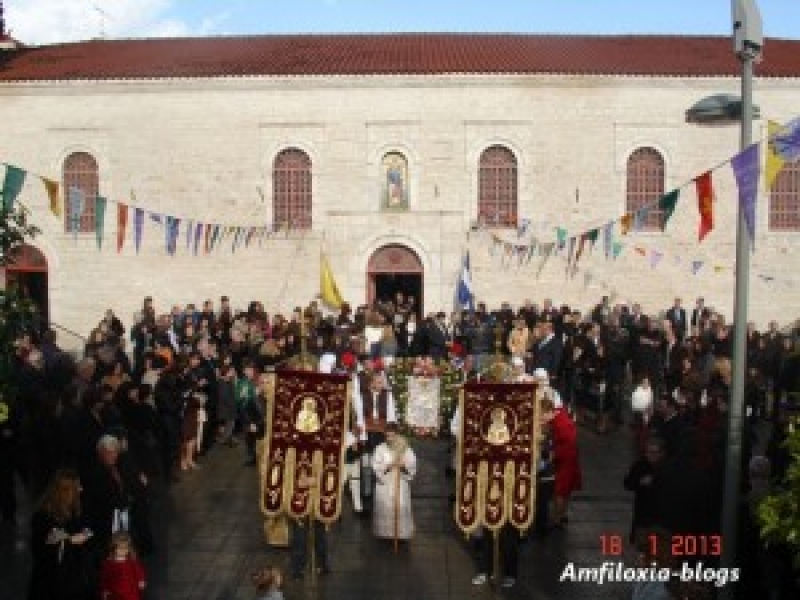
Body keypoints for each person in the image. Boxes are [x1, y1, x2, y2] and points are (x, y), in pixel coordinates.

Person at [28, 469, 94, 600]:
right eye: (77, 487)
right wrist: (70, 541)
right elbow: (42, 552)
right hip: (54, 582)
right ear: (65, 491)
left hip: (74, 576)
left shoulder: (74, 508)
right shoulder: (44, 517)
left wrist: (86, 534)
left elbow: (86, 528)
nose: (81, 489)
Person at [372, 423, 417, 541]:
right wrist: (388, 466)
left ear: (397, 435)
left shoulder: (405, 448)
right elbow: (376, 466)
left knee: (400, 506)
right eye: (388, 436)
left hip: (400, 483)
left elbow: (412, 465)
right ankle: (384, 533)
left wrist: (403, 466)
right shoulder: (380, 448)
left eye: (392, 436)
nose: (390, 439)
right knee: (385, 507)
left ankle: (401, 533)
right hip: (385, 485)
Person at [99, 531, 146, 600]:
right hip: (115, 594)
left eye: (125, 548)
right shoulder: (108, 563)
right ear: (113, 548)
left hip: (131, 593)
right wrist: (104, 590)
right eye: (120, 548)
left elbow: (139, 571)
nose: (123, 550)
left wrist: (141, 580)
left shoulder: (132, 561)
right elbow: (104, 578)